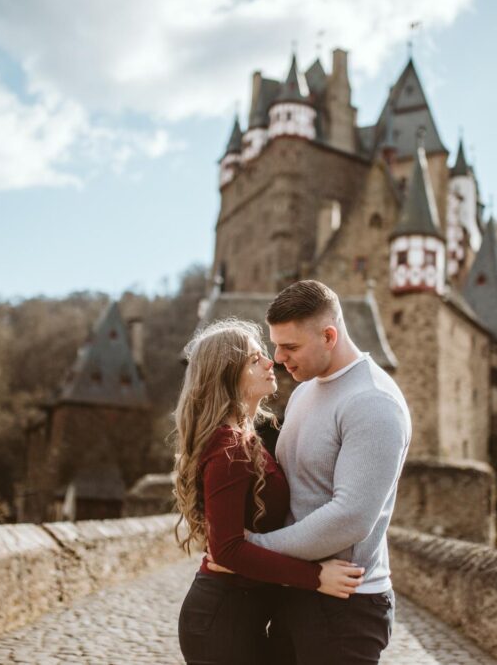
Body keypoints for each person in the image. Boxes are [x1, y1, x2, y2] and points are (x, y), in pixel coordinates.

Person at [208, 280, 412, 664]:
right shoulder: (304, 390)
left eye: (291, 347)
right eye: (275, 345)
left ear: (329, 335)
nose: (278, 358)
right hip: (297, 591)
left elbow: (349, 518)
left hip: (347, 604)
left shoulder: (373, 402)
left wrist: (248, 549)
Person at [173, 318, 366, 665]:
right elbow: (227, 549)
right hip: (222, 621)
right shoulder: (228, 448)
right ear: (228, 376)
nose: (270, 362)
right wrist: (316, 577)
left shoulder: (245, 437)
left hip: (241, 615)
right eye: (253, 359)